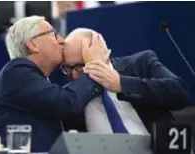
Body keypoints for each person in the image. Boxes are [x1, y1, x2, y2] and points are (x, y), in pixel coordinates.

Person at [0, 16, 107, 152]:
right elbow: (67, 103)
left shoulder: (34, 79)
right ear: (33, 44)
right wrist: (94, 65)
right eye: (54, 34)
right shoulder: (17, 71)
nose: (61, 40)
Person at [61, 28, 192, 134]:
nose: (73, 75)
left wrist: (121, 84)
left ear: (103, 54)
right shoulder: (71, 97)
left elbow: (180, 94)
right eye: (67, 68)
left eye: (80, 66)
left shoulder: (141, 64)